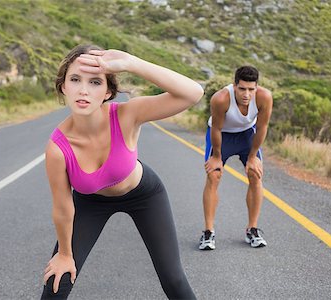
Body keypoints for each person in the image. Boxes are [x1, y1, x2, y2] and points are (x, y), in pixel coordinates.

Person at [41, 44, 204, 299]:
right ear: (63, 86)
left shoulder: (128, 115)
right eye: (75, 80)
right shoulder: (57, 148)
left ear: (108, 92)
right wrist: (64, 254)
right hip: (90, 203)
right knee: (57, 282)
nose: (83, 90)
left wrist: (130, 62)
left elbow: (193, 93)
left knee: (173, 279)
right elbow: (63, 208)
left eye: (95, 82)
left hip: (144, 195)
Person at [199, 66, 273, 250]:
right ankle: (208, 232)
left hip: (247, 135)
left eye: (251, 89)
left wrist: (253, 156)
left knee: (255, 174)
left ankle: (252, 229)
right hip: (222, 136)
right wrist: (216, 156)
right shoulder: (221, 98)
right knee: (214, 175)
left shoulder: (264, 97)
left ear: (257, 87)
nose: (246, 94)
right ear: (234, 86)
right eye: (242, 89)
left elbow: (262, 128)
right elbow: (216, 128)